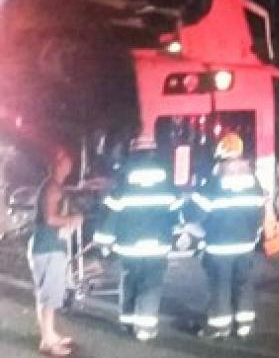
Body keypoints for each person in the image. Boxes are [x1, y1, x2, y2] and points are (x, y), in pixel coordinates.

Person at [92, 143, 181, 342]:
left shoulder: (124, 180)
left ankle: (127, 322)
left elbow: (111, 214)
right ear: (152, 152)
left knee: (130, 281)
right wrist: (178, 233)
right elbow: (176, 213)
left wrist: (104, 242)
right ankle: (145, 329)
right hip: (158, 245)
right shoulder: (166, 181)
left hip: (129, 246)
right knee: (151, 285)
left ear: (133, 152)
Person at [192, 132, 266, 339]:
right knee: (243, 284)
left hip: (219, 246)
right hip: (245, 245)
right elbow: (260, 214)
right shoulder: (253, 183)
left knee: (220, 286)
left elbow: (196, 213)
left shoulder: (214, 181)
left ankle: (219, 326)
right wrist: (253, 236)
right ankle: (245, 325)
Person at [28, 148, 82, 356]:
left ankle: (49, 334)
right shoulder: (52, 187)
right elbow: (50, 218)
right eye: (65, 162)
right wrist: (73, 219)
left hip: (46, 247)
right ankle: (47, 342)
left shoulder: (53, 186)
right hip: (48, 248)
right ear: (57, 165)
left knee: (45, 295)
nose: (69, 165)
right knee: (49, 297)